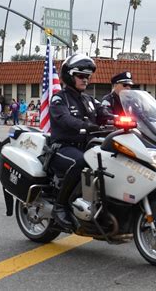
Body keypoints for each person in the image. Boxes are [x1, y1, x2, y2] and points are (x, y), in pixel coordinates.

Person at [49, 54, 109, 230]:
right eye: (81, 75)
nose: (85, 79)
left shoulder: (89, 100)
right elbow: (65, 119)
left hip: (88, 147)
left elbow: (104, 111)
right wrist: (86, 126)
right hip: (63, 147)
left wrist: (124, 118)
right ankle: (59, 207)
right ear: (69, 76)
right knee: (82, 162)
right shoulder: (59, 99)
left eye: (87, 76)